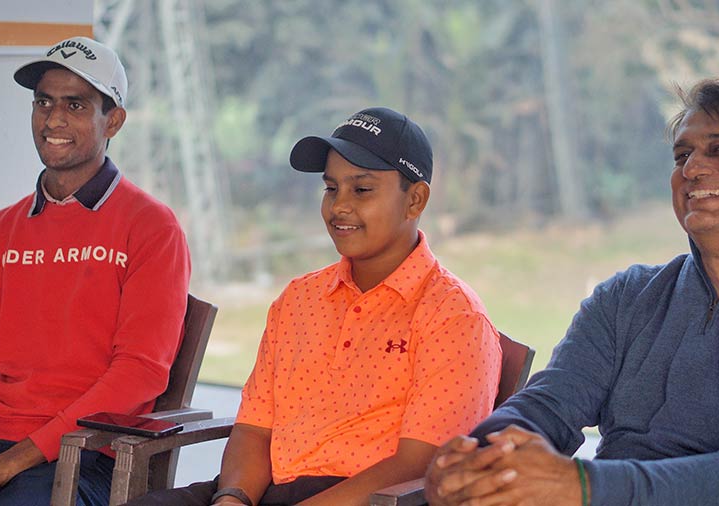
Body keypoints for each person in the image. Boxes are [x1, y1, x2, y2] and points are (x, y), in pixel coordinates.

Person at [425, 78, 719, 506]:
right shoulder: (628, 297)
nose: (692, 169)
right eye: (682, 156)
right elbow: (549, 405)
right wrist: (477, 453)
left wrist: (582, 486)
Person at [127, 106, 502, 506]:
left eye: (361, 190)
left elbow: (419, 463)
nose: (339, 206)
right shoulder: (298, 300)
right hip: (261, 489)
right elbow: (254, 429)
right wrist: (232, 500)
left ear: (415, 200)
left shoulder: (453, 317)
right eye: (331, 188)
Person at [0, 37, 191, 506]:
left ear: (113, 120)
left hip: (87, 453)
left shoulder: (152, 228)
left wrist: (9, 464)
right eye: (44, 102)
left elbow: (139, 374)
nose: (53, 120)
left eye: (75, 104)